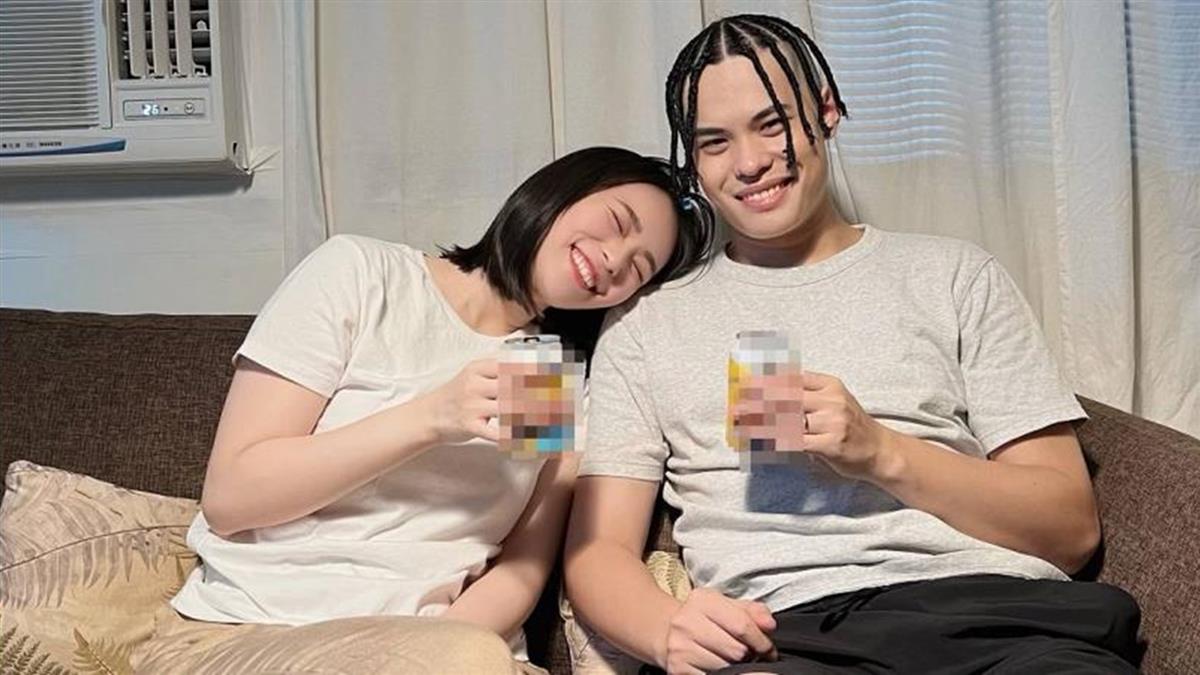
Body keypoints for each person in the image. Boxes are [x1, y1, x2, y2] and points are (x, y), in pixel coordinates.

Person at [564, 15, 1142, 675]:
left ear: (827, 111)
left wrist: (879, 451)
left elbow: (1071, 530)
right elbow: (598, 549)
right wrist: (667, 628)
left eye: (772, 124)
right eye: (715, 142)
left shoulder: (954, 275)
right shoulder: (647, 322)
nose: (748, 163)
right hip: (786, 637)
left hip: (999, 621)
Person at [131, 146, 714, 674]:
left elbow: (523, 567)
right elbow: (231, 500)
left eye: (637, 268)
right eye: (616, 223)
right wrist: (431, 418)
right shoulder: (364, 277)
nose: (613, 259)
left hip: (442, 650)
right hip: (258, 625)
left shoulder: (551, 377)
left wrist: (426, 649)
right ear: (562, 189)